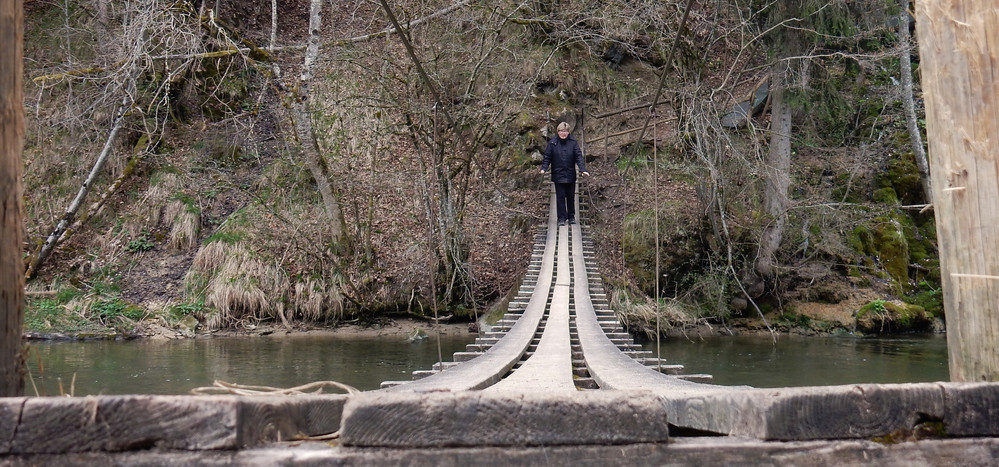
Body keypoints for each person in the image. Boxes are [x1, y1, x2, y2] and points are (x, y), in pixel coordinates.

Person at [540, 121, 589, 226]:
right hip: (558, 174)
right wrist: (544, 168)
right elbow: (547, 157)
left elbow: (579, 157)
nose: (563, 133)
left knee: (571, 197)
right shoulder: (552, 143)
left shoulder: (573, 142)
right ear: (558, 131)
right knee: (560, 197)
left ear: (568, 132)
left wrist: (582, 169)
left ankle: (571, 216)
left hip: (570, 174)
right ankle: (561, 218)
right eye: (562, 131)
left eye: (565, 131)